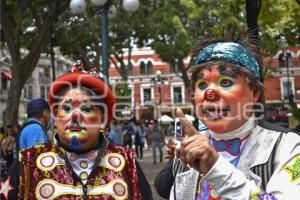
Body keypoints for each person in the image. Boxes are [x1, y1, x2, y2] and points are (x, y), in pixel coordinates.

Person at [154, 31, 300, 200]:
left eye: (225, 82)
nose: (210, 93)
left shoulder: (289, 147)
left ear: (254, 92)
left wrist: (215, 168)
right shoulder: (188, 148)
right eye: (202, 84)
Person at [0, 61, 152, 199]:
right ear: (55, 117)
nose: (75, 115)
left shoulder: (126, 163)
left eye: (86, 109)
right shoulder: (26, 163)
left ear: (102, 119)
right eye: (66, 108)